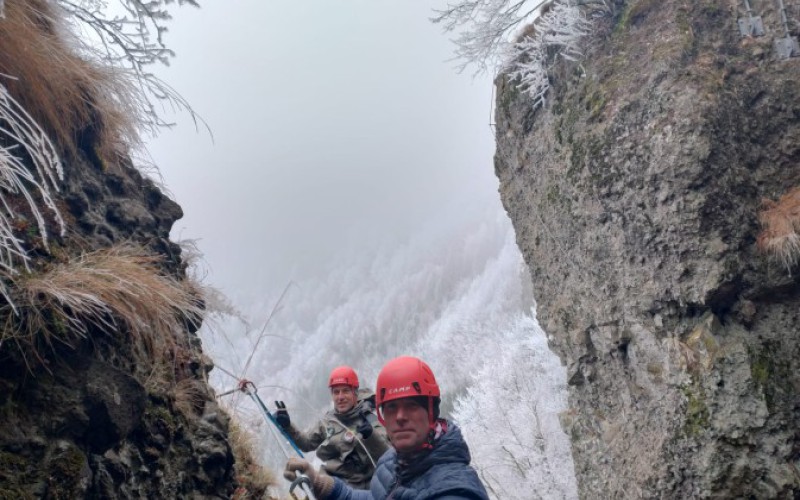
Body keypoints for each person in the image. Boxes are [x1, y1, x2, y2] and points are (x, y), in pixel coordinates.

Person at [283, 356, 490, 500]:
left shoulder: (453, 490)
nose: (400, 417)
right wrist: (319, 483)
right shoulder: (393, 464)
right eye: (391, 408)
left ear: (432, 411)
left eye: (412, 405)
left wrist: (370, 436)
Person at [275, 365, 390, 489]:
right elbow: (307, 444)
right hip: (334, 483)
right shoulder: (328, 421)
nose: (340, 397)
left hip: (367, 487)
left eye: (345, 391)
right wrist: (287, 426)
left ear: (355, 392)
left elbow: (388, 456)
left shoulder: (370, 417)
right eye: (336, 392)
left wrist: (370, 436)